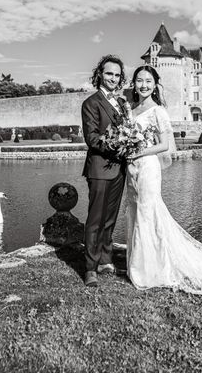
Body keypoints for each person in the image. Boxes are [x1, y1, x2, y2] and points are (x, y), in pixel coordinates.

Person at [125, 65, 202, 296]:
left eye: (148, 81)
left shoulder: (158, 111)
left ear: (155, 85)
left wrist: (138, 151)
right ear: (134, 83)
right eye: (139, 80)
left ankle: (150, 270)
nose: (143, 85)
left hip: (147, 166)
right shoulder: (131, 109)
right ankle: (141, 263)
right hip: (132, 168)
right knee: (135, 212)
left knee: (148, 212)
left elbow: (165, 145)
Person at [81, 55, 129, 287]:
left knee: (110, 219)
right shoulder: (91, 103)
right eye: (109, 73)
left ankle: (105, 258)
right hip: (100, 168)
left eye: (117, 75)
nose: (113, 78)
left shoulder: (121, 104)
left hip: (119, 169)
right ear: (100, 74)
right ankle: (90, 267)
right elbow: (91, 138)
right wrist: (117, 146)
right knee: (95, 220)